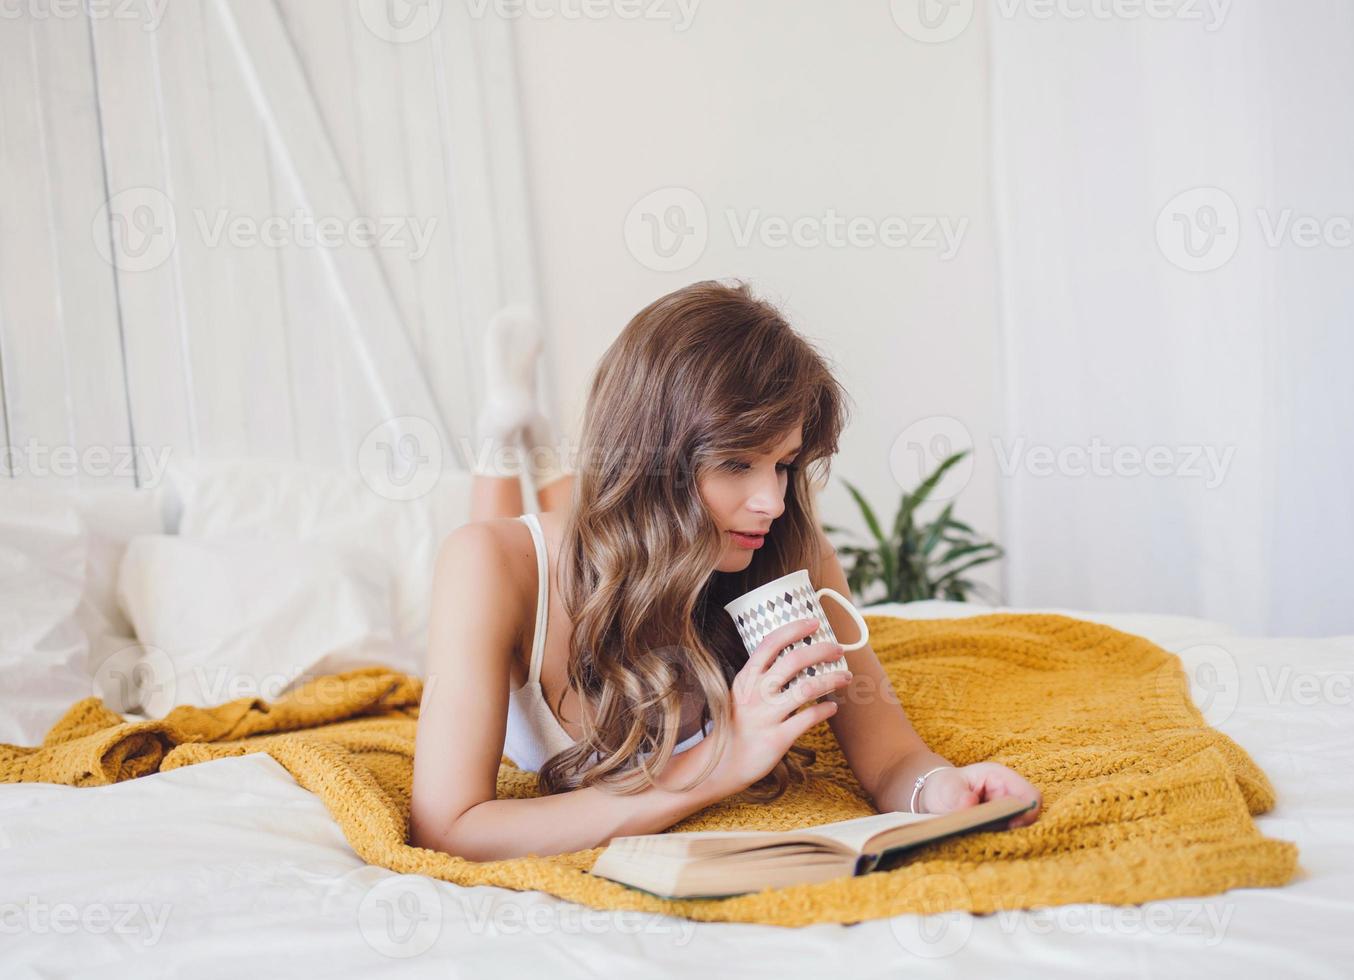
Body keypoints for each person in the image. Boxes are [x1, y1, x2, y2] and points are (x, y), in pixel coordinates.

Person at [408, 280, 1041, 862]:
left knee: (605, 524)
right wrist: (718, 762)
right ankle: (506, 430)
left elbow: (893, 757)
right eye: (737, 463)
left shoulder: (795, 555)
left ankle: (536, 440)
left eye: (784, 464)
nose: (773, 502)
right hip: (543, 559)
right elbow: (448, 827)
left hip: (627, 530)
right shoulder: (486, 565)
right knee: (513, 533)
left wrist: (942, 790)